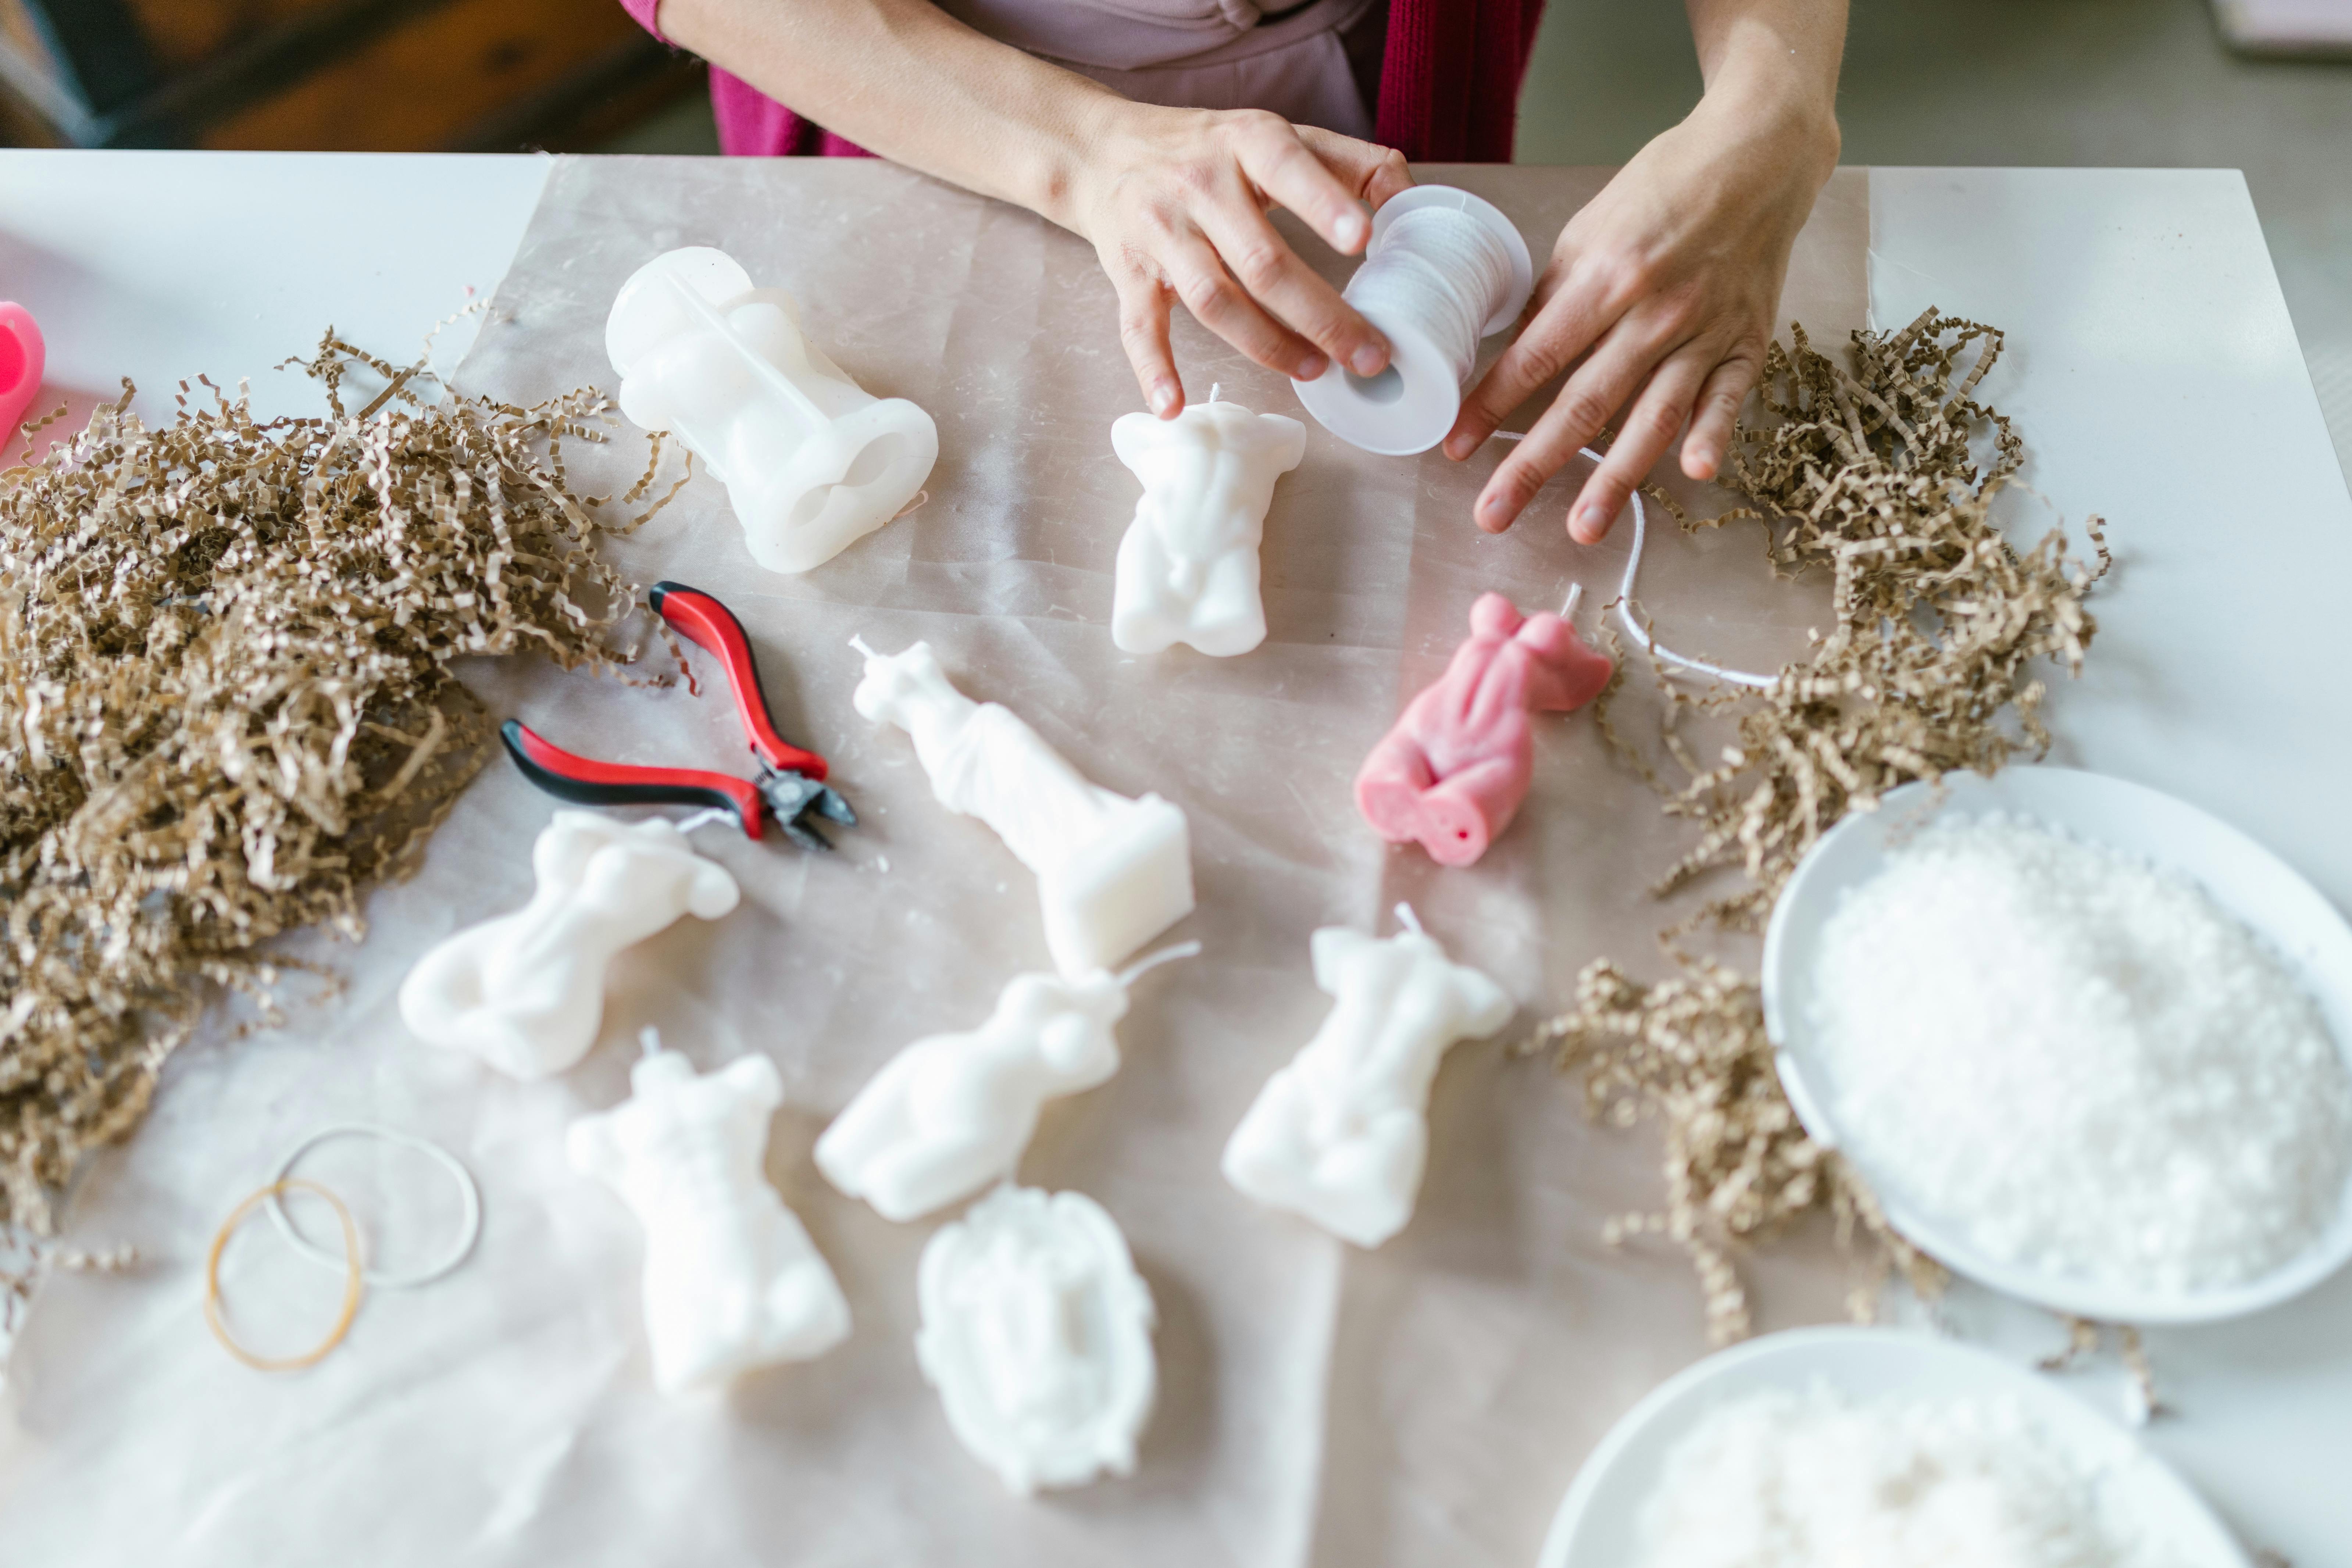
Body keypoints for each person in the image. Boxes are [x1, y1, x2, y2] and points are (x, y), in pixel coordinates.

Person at [623, 0, 1845, 543]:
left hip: (1368, 110)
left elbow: (1772, 94)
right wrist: (1085, 152)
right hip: (949, 107)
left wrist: (1775, 103)